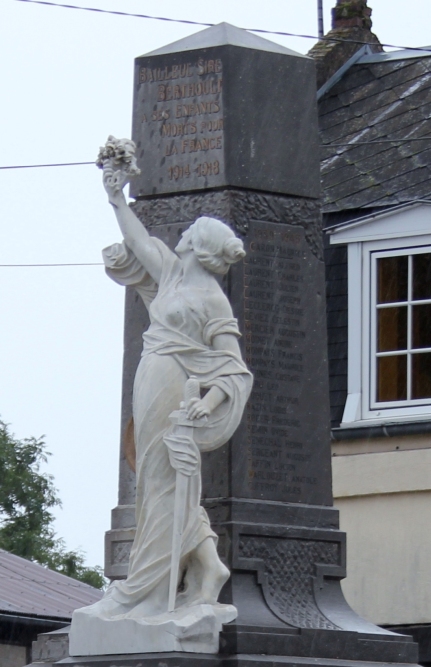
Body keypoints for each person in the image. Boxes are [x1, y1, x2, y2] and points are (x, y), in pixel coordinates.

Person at [90, 161, 252, 620]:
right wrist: (116, 198)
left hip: (178, 386)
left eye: (191, 231)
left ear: (199, 246)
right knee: (155, 479)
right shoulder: (170, 275)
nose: (181, 233)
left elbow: (232, 368)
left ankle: (141, 589)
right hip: (150, 377)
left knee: (161, 482)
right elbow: (139, 242)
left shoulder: (212, 299)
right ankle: (208, 565)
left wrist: (208, 402)